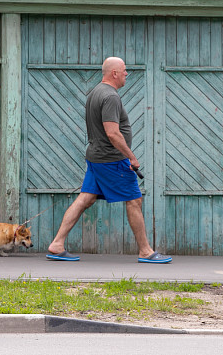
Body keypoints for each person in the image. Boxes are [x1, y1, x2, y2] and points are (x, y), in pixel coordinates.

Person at [46, 57, 172, 264]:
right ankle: (146, 251)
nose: (126, 74)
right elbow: (113, 133)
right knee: (134, 200)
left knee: (85, 198)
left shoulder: (95, 92)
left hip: (96, 157)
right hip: (111, 160)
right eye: (124, 71)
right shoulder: (110, 97)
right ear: (114, 73)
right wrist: (131, 157)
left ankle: (57, 244)